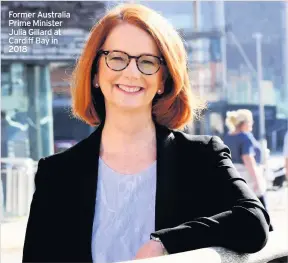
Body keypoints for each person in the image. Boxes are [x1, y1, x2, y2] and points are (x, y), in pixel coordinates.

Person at [22, 4, 271, 263]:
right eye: (117, 58)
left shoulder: (201, 156)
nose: (131, 72)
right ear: (96, 72)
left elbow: (253, 221)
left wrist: (167, 243)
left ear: (163, 80)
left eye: (148, 61)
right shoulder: (57, 174)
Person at [223, 110, 270, 214]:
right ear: (244, 123)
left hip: (232, 175)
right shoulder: (245, 137)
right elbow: (248, 158)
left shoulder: (228, 137)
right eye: (250, 121)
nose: (252, 124)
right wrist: (257, 180)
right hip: (248, 174)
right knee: (261, 205)